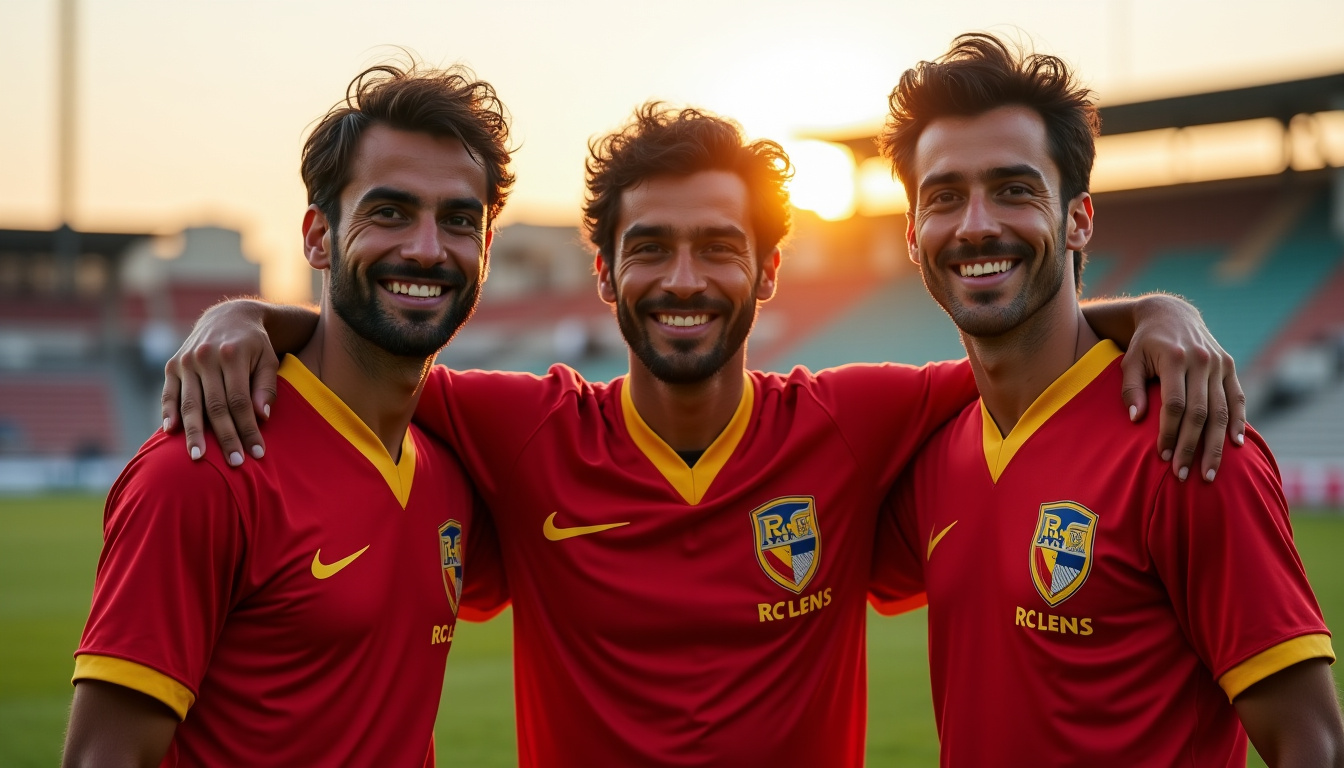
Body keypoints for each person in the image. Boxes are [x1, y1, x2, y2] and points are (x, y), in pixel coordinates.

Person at [160, 104, 1244, 766]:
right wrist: (248, 316)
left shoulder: (858, 424)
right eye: (651, 248)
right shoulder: (517, 431)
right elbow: (372, 361)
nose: (684, 279)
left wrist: (1157, 312)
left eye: (720, 247)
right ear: (604, 273)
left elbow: (1023, 353)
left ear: (768, 273)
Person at [869, 33, 1344, 767]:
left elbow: (1311, 741)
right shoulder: (938, 452)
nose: (977, 224)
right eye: (944, 197)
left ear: (1079, 219)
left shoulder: (1187, 444)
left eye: (1014, 189)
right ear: (913, 234)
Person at [63, 62, 509, 768]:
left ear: (484, 249)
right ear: (318, 237)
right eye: (389, 212)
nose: (426, 248)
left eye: (458, 220)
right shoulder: (201, 472)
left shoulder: (452, 471)